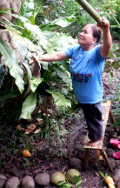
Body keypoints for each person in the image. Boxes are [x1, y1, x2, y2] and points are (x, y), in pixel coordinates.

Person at [30, 19, 112, 150]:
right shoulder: (76, 50)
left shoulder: (97, 53)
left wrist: (106, 30)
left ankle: (97, 137)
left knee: (92, 118)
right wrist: (38, 57)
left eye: (86, 32)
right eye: (82, 31)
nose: (81, 33)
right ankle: (98, 116)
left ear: (94, 40)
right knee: (89, 113)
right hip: (81, 95)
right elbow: (57, 55)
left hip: (91, 97)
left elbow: (107, 47)